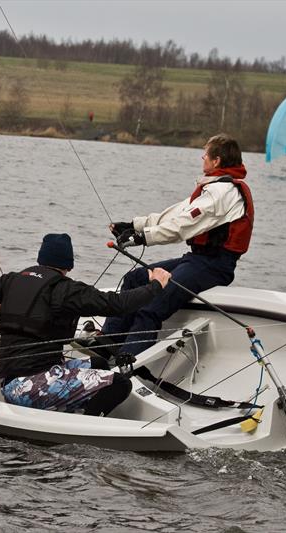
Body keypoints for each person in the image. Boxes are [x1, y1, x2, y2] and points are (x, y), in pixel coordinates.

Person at [0, 233, 171, 417]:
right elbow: (118, 304)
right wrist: (156, 285)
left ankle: (71, 404)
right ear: (68, 265)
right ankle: (83, 426)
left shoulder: (12, 280)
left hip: (11, 380)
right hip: (29, 388)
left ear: (41, 259)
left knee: (100, 364)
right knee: (120, 383)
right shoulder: (67, 290)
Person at [97, 133, 253, 364]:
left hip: (214, 266)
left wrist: (142, 238)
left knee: (151, 306)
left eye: (205, 154)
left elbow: (181, 226)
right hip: (195, 259)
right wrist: (133, 225)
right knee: (134, 279)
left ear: (216, 160)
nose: (202, 158)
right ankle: (108, 343)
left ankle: (128, 362)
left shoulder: (223, 194)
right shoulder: (214, 188)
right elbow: (174, 214)